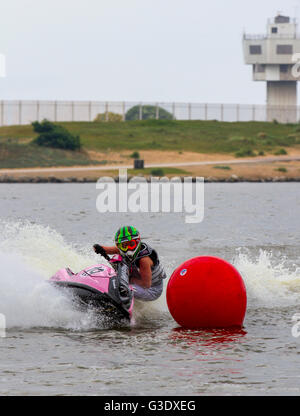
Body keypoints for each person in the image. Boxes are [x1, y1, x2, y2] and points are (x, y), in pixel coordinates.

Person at [93, 226, 166, 301]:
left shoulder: (144, 260)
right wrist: (98, 248)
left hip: (152, 290)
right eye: (124, 246)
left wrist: (127, 279)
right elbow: (106, 250)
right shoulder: (121, 250)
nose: (128, 249)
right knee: (117, 260)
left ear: (138, 241)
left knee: (123, 289)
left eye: (131, 244)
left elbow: (146, 285)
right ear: (119, 246)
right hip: (137, 280)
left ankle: (119, 301)